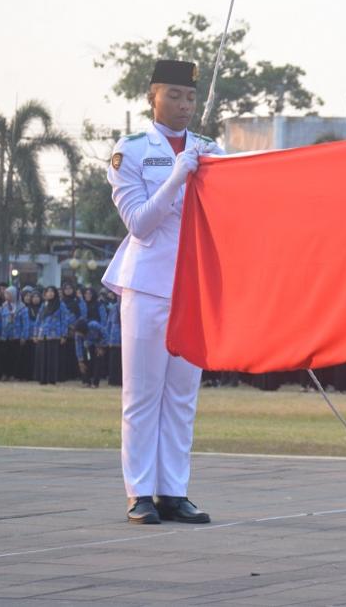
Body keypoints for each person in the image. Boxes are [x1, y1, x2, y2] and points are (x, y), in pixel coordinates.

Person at [103, 59, 222, 525]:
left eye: (190, 97)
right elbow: (140, 224)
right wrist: (177, 176)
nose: (184, 105)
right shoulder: (130, 151)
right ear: (153, 96)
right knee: (143, 392)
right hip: (148, 284)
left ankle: (174, 490)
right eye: (174, 95)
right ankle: (140, 494)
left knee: (182, 395)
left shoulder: (209, 149)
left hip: (194, 285)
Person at [33, 286, 67, 385]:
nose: (50, 293)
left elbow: (64, 320)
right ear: (45, 294)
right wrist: (35, 334)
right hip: (43, 334)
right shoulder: (44, 305)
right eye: (48, 291)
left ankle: (52, 379)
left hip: (55, 334)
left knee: (52, 358)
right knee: (43, 358)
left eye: (52, 291)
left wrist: (63, 335)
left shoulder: (61, 305)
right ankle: (42, 379)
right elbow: (38, 320)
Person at [73, 317, 106, 388]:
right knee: (84, 362)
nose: (79, 335)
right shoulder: (78, 334)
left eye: (80, 333)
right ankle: (86, 381)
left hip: (98, 345)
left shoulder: (94, 325)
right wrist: (80, 360)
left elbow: (105, 335)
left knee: (98, 361)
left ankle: (95, 383)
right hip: (87, 347)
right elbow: (78, 346)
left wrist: (101, 346)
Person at [105, 292, 122, 387]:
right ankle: (113, 380)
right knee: (113, 361)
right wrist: (107, 338)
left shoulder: (129, 307)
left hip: (125, 339)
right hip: (114, 338)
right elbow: (109, 323)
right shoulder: (114, 308)